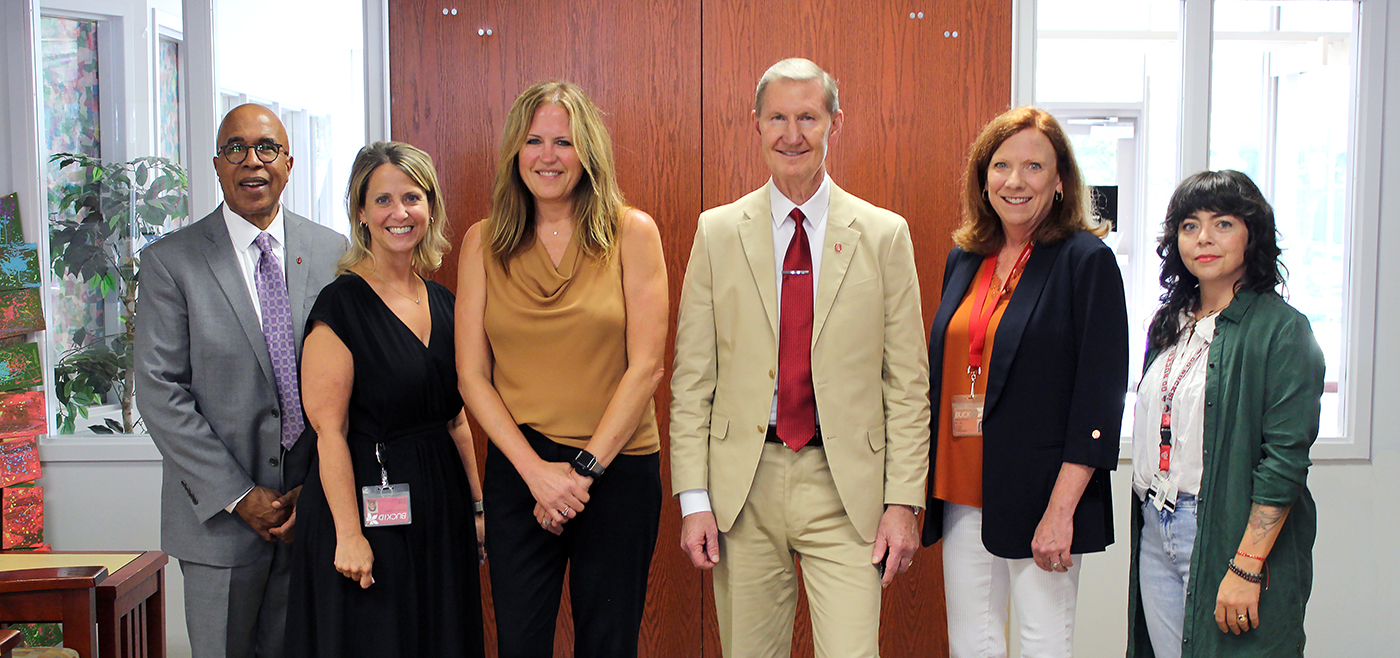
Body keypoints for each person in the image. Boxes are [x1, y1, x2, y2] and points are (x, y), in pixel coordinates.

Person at [670, 57, 930, 657]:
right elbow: (692, 381)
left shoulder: (884, 234)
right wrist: (694, 501)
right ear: (756, 124)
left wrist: (902, 503)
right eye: (779, 118)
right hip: (744, 485)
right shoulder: (717, 232)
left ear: (834, 124)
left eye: (808, 117)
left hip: (847, 491)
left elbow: (908, 385)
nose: (793, 134)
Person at [456, 81, 668, 658]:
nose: (547, 156)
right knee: (520, 643)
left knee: (609, 642)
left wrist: (581, 473)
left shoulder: (633, 233)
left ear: (588, 153)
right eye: (534, 141)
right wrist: (537, 474)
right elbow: (472, 376)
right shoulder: (481, 244)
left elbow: (647, 366)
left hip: (617, 469)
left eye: (564, 142)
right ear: (515, 153)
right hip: (521, 474)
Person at [136, 103, 346, 658]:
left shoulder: (334, 253)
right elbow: (160, 391)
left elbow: (353, 379)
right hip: (218, 524)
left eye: (267, 148)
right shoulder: (170, 262)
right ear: (216, 162)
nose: (252, 161)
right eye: (236, 148)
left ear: (290, 162)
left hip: (315, 511)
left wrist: (320, 490)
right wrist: (239, 495)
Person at [921, 106, 1128, 658]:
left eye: (1034, 167)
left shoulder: (1087, 261)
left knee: (1041, 644)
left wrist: (1061, 512)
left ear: (1060, 181)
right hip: (964, 489)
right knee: (971, 645)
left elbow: (1099, 400)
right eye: (1001, 165)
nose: (1015, 181)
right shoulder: (966, 258)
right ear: (983, 176)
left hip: (1043, 497)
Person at [283, 142, 485, 657]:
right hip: (366, 503)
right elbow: (329, 432)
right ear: (361, 213)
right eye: (383, 200)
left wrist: (478, 508)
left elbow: (457, 419)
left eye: (412, 198)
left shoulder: (444, 300)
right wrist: (348, 535)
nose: (399, 213)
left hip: (440, 504)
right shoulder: (340, 304)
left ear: (431, 207)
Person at [1127, 170, 1323, 658]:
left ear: (1251, 234)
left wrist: (1246, 565)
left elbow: (1285, 461)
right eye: (1190, 226)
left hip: (1224, 533)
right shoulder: (1170, 323)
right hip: (1157, 524)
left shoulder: (1282, 329)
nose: (1204, 239)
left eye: (1223, 224)